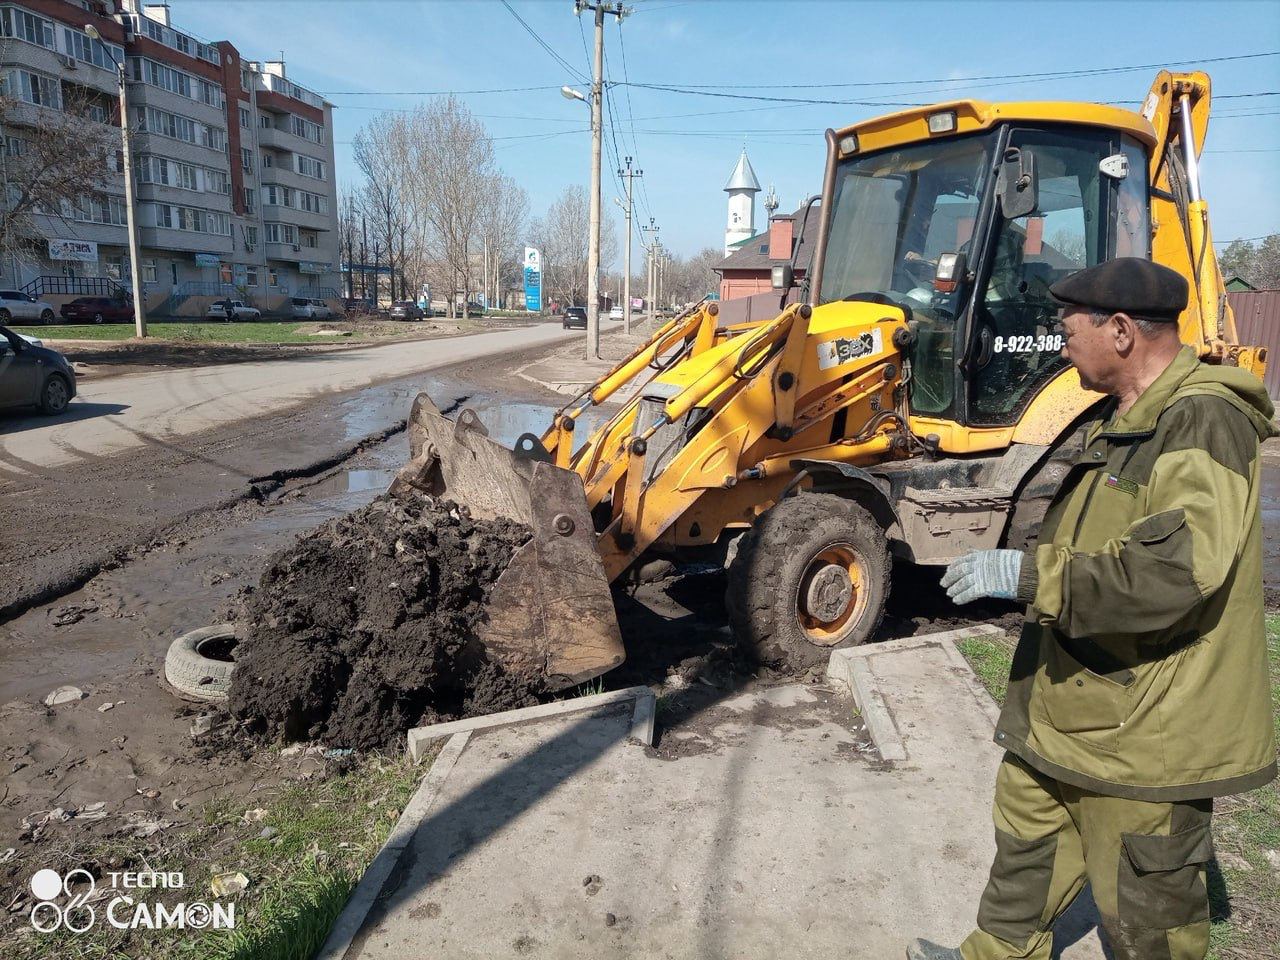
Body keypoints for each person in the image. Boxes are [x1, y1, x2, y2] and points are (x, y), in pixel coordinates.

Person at [908, 257, 1278, 960]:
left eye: (1065, 326)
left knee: (1147, 910)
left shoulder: (1201, 420)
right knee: (1027, 845)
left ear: (1119, 330)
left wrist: (1027, 575)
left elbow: (1173, 573)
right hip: (1070, 709)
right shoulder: (1127, 415)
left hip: (1145, 730)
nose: (1058, 339)